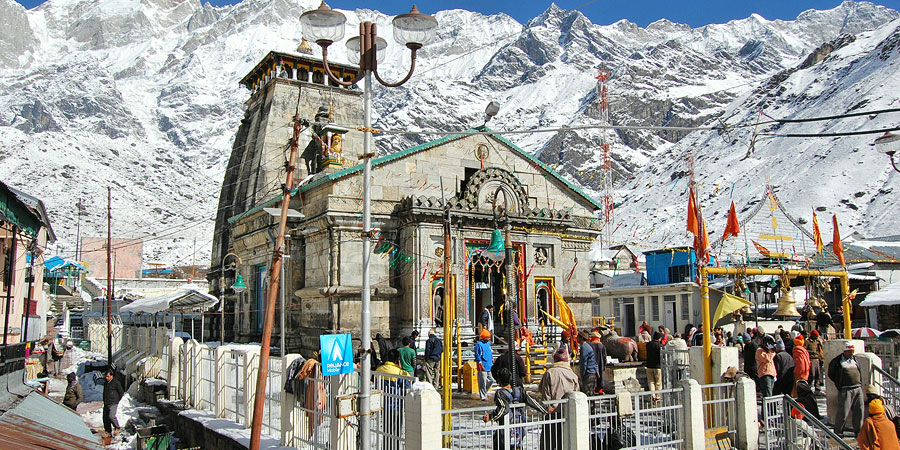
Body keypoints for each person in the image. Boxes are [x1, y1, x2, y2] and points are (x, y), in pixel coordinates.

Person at [483, 367, 555, 450]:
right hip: (519, 426)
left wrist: (491, 416)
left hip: (506, 428)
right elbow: (532, 400)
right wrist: (545, 409)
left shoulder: (500, 393)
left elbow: (504, 408)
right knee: (517, 446)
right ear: (510, 379)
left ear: (499, 380)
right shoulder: (519, 391)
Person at [538, 347, 579, 450]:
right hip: (568, 411)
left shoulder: (550, 372)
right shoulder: (572, 374)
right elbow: (576, 393)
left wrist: (546, 406)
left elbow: (545, 392)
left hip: (552, 411)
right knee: (564, 440)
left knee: (549, 441)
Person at [828, 343, 865, 436]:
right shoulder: (837, 361)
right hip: (845, 389)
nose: (852, 353)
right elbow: (831, 374)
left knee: (859, 411)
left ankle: (859, 431)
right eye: (850, 351)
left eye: (853, 351)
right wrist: (839, 383)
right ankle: (838, 431)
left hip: (857, 388)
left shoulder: (855, 360)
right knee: (843, 412)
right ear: (845, 351)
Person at [375, 349, 409, 450]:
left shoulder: (379, 370)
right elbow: (407, 384)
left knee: (386, 430)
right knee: (396, 432)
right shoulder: (400, 372)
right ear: (398, 360)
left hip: (383, 404)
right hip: (396, 405)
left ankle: (386, 447)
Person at [102, 370, 125, 437]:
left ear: (112, 376)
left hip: (113, 402)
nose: (106, 378)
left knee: (111, 416)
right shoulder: (106, 383)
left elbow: (121, 392)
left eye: (108, 376)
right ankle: (108, 431)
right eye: (106, 376)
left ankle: (117, 427)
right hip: (106, 402)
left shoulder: (116, 383)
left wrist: (116, 400)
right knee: (105, 418)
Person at [475, 329, 495, 401]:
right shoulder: (479, 345)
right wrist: (480, 364)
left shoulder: (488, 344)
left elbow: (490, 352)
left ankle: (484, 392)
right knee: (482, 381)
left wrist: (492, 359)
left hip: (489, 364)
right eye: (488, 337)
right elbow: (477, 355)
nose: (489, 338)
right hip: (482, 365)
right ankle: (483, 396)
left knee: (491, 379)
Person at [578, 331, 599, 396]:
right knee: (591, 393)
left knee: (588, 393)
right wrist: (596, 370)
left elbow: (583, 362)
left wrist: (582, 375)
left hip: (588, 373)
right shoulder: (588, 346)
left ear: (581, 338)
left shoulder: (584, 347)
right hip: (592, 372)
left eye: (578, 337)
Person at [646, 332, 663, 401]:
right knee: (658, 382)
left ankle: (652, 395)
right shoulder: (659, 346)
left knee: (651, 381)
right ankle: (657, 396)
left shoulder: (648, 344)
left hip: (649, 365)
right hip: (657, 366)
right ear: (659, 338)